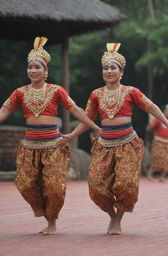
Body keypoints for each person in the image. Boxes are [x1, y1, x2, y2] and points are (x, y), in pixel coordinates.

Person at [60, 43, 168, 235]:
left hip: (128, 143)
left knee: (126, 184)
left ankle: (118, 219)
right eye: (106, 67)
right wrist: (71, 135)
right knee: (96, 185)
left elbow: (151, 107)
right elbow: (87, 118)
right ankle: (112, 215)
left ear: (121, 72)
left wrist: (166, 122)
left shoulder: (131, 91)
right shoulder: (96, 94)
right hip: (104, 145)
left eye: (113, 67)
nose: (109, 71)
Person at [0, 37, 101, 235]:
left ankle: (52, 221)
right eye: (30, 67)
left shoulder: (57, 91)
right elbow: (3, 111)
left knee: (54, 187)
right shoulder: (19, 93)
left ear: (46, 71)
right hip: (29, 146)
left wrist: (95, 127)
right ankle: (43, 212)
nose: (33, 70)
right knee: (25, 184)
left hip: (54, 145)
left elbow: (77, 111)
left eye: (37, 67)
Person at [146, 104, 168, 182]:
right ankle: (150, 173)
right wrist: (151, 121)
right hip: (158, 141)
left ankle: (162, 177)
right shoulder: (158, 120)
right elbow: (149, 128)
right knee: (158, 158)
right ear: (164, 111)